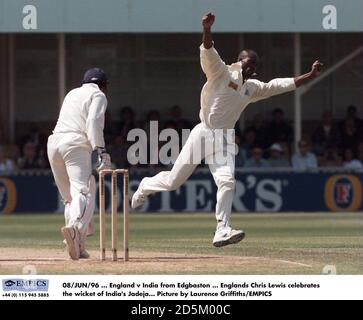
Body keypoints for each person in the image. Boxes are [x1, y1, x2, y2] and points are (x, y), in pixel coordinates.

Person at [132, 12, 323, 247]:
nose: (253, 67)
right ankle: (144, 187)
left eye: (256, 64)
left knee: (227, 181)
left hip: (224, 138)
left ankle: (222, 229)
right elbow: (209, 51)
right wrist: (207, 29)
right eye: (249, 62)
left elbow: (277, 86)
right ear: (239, 60)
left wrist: (309, 75)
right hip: (203, 132)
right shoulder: (221, 72)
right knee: (174, 181)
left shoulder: (252, 88)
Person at [47, 68, 111, 260]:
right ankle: (74, 230)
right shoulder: (98, 94)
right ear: (105, 85)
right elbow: (93, 121)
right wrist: (101, 149)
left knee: (70, 199)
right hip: (75, 144)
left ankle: (78, 246)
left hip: (54, 143)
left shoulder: (72, 93)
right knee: (84, 191)